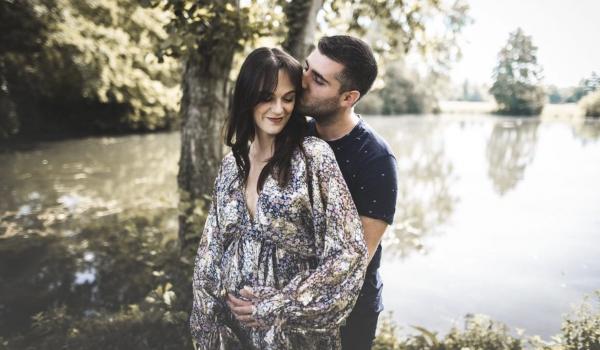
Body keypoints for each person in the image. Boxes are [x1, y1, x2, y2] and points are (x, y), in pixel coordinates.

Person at [189, 47, 368, 349]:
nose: (278, 109)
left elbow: (349, 254)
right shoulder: (232, 165)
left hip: (292, 335)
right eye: (267, 97)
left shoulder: (313, 158)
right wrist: (207, 321)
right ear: (247, 98)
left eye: (288, 98)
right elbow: (211, 249)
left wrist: (279, 306)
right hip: (233, 333)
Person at [299, 35, 399, 349]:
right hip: (285, 304)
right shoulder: (293, 132)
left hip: (348, 316)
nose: (302, 82)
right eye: (306, 68)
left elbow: (353, 263)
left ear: (348, 97)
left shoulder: (375, 160)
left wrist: (278, 303)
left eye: (317, 80)